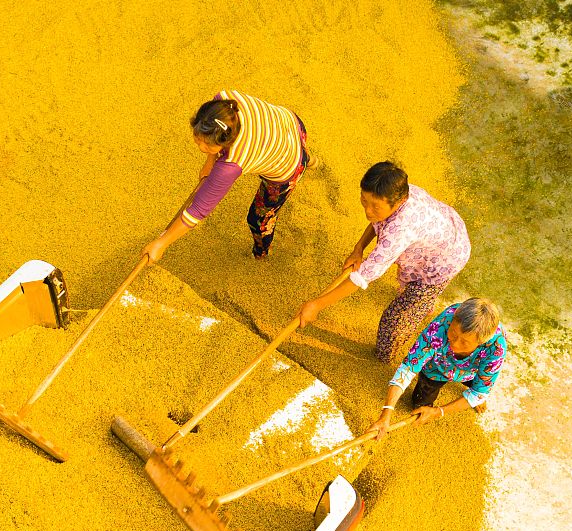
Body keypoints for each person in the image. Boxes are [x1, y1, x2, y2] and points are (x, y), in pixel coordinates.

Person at [298, 162, 471, 364]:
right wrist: (358, 249)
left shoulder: (400, 230)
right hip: (439, 234)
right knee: (411, 293)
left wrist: (316, 305)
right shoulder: (395, 190)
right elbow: (377, 221)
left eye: (375, 207)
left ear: (398, 202)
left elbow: (362, 277)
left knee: (395, 320)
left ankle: (384, 357)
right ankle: (424, 303)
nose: (368, 211)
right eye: (364, 201)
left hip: (446, 258)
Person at [143, 90, 310, 263]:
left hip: (289, 164)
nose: (201, 147)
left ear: (226, 142)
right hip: (292, 123)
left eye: (208, 145)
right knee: (301, 152)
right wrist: (210, 161)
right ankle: (310, 160)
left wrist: (161, 243)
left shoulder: (231, 164)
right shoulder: (222, 101)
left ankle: (260, 253)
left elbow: (198, 210)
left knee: (258, 219)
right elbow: (214, 138)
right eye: (198, 138)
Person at [368, 298, 506, 439]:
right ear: (453, 320)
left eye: (464, 342)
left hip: (472, 371)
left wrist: (439, 411)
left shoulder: (496, 348)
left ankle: (477, 392)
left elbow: (478, 393)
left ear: (481, 342)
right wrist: (386, 413)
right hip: (437, 367)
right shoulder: (443, 323)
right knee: (419, 406)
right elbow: (408, 368)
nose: (455, 344)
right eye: (453, 333)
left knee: (479, 391)